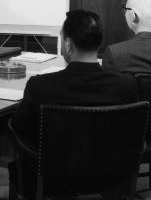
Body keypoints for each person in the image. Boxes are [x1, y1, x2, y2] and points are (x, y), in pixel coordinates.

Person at [12, 10, 138, 146]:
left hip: (54, 165)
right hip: (109, 165)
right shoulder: (126, 85)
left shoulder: (39, 86)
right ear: (99, 41)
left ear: (68, 44)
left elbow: (20, 127)